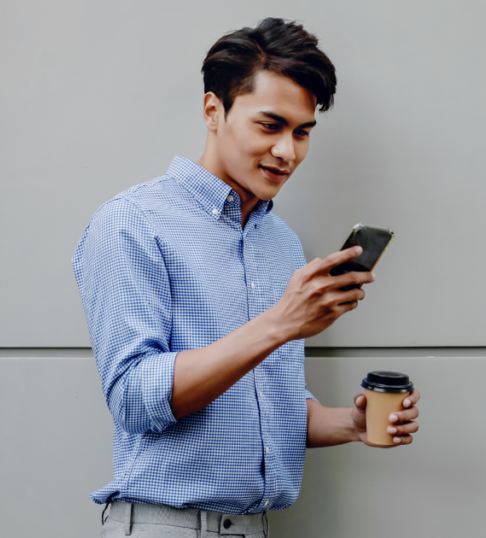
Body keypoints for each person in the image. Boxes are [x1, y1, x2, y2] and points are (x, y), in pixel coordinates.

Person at [72, 17, 422, 537]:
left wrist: (353, 423)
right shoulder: (132, 222)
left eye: (302, 132)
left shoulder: (278, 242)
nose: (288, 151)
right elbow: (134, 399)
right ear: (214, 111)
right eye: (270, 125)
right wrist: (281, 322)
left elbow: (268, 406)